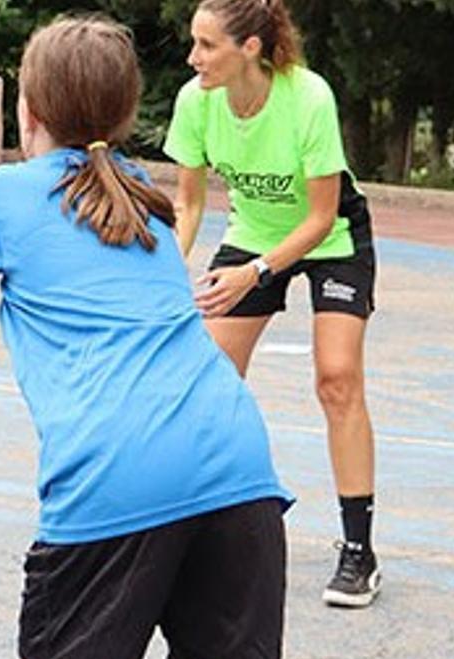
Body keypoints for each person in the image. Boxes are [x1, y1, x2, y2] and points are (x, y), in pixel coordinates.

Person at [0, 16, 294, 659]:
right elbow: (48, 192)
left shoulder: (1, 194)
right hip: (234, 464)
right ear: (126, 110)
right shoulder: (139, 193)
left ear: (29, 110)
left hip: (116, 469)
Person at [163, 0, 380, 608]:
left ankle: (359, 551)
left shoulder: (308, 97)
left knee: (337, 379)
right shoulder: (196, 100)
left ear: (250, 49)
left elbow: (319, 217)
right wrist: (164, 273)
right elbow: (188, 206)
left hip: (331, 238)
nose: (192, 57)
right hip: (253, 233)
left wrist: (253, 274)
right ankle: (201, 535)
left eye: (206, 45)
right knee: (207, 381)